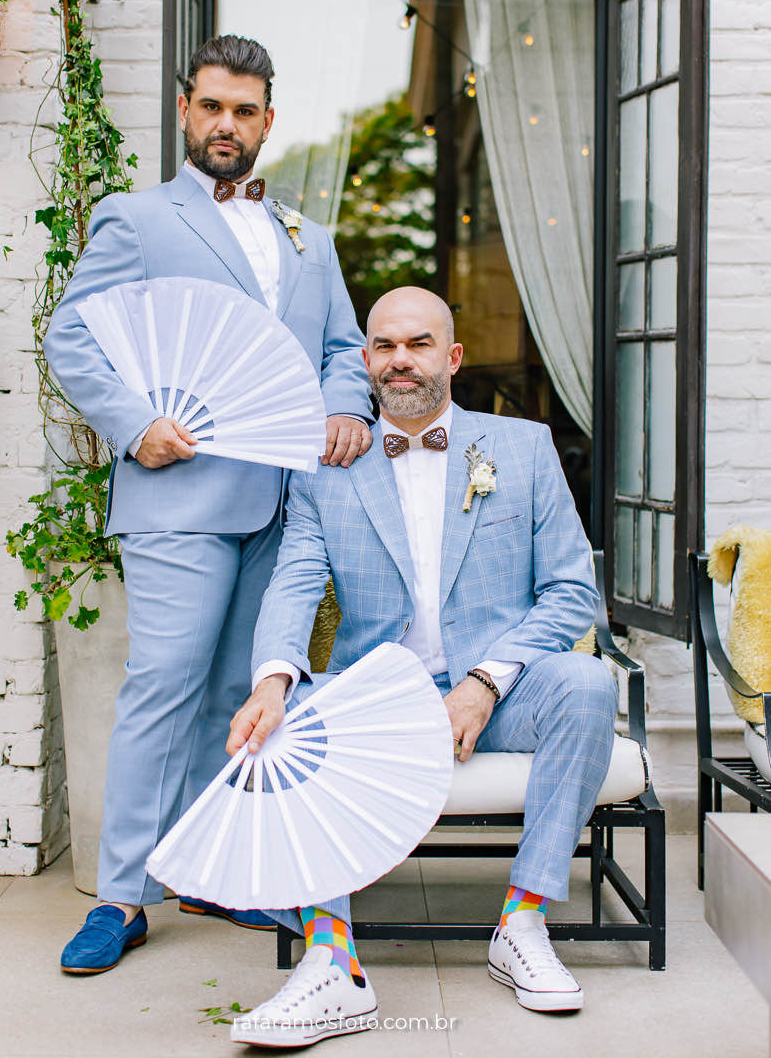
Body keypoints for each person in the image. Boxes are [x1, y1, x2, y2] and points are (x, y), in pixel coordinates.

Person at [44, 35, 373, 975]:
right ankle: (121, 896)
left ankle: (220, 871)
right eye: (212, 107)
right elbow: (75, 337)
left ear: (268, 122)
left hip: (280, 504)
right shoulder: (137, 219)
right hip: (177, 494)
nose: (226, 124)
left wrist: (347, 404)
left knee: (241, 695)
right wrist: (133, 420)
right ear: (186, 112)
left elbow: (342, 348)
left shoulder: (308, 234)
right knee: (164, 685)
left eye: (245, 110)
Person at [227, 286, 617, 1046]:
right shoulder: (325, 467)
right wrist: (271, 679)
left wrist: (483, 682)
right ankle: (332, 963)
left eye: (418, 344)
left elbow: (572, 591)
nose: (399, 361)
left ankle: (522, 922)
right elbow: (296, 579)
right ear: (365, 360)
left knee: (586, 681)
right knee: (291, 715)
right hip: (382, 695)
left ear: (452, 357)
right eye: (383, 346)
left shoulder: (522, 448)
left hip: (503, 691)